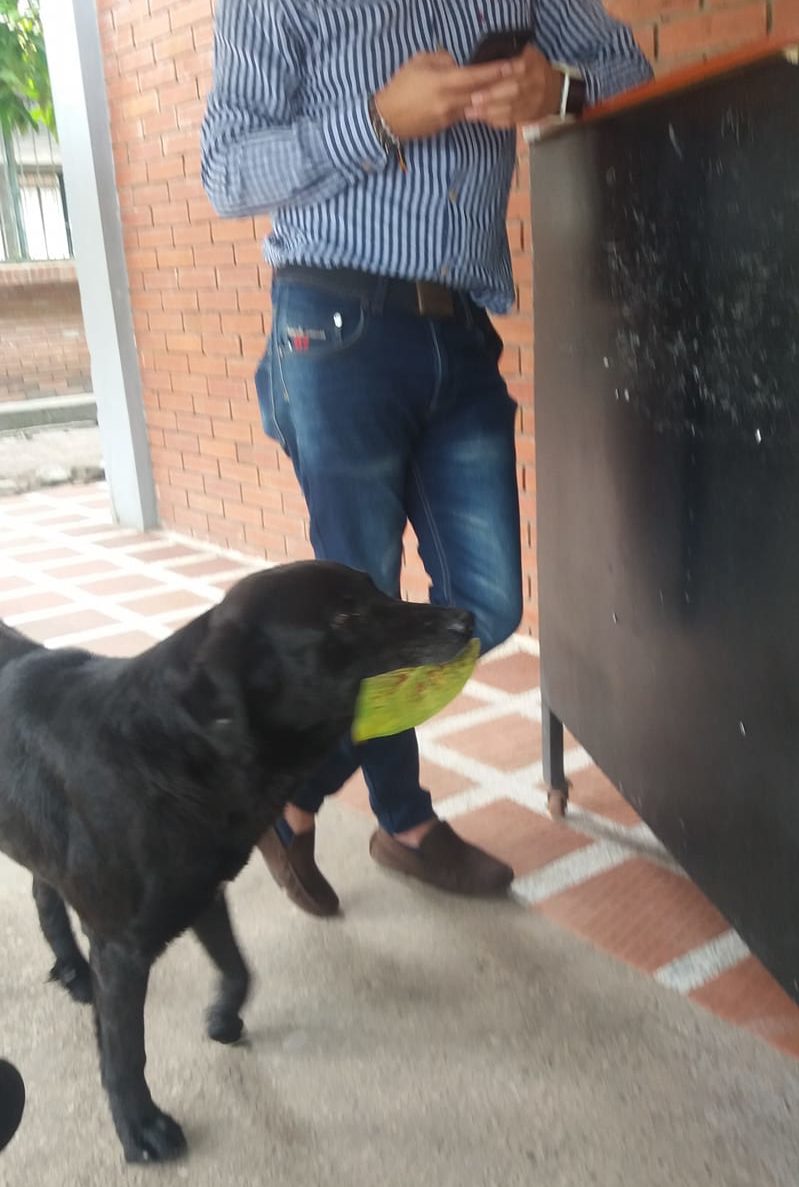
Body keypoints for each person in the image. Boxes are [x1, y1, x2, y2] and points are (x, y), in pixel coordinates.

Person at [201, 1, 652, 917]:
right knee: (358, 606)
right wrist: (373, 122)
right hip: (333, 321)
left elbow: (630, 74)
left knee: (483, 604)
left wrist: (557, 87)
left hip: (461, 326)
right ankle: (404, 821)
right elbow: (225, 170)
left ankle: (287, 790)